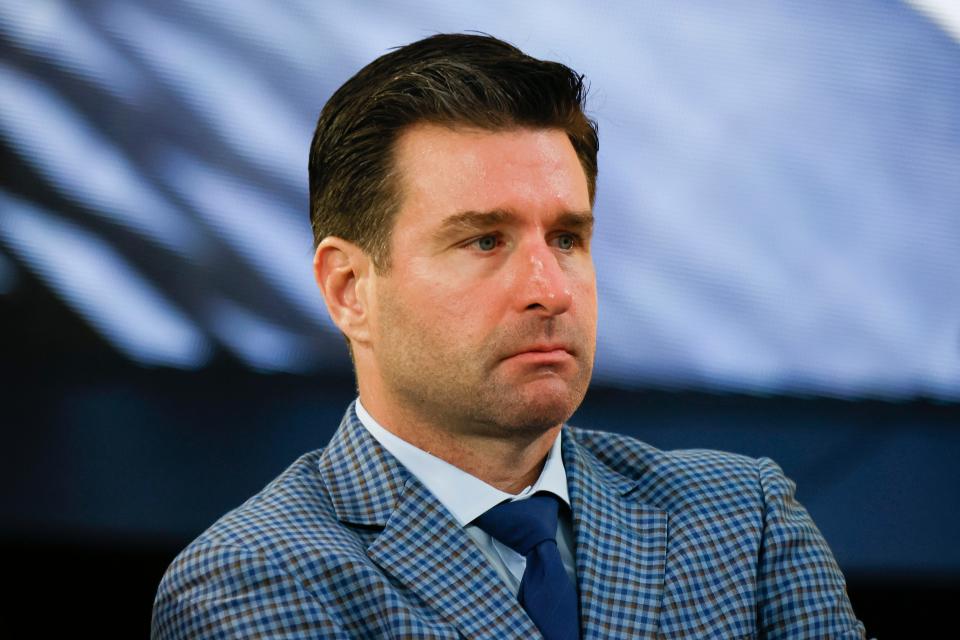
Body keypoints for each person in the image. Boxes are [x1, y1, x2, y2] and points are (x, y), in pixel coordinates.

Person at [152, 33, 866, 639]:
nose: (550, 290)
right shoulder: (253, 578)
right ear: (350, 290)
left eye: (566, 237)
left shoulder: (745, 522)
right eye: (486, 240)